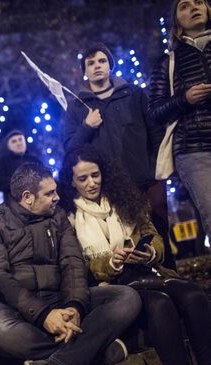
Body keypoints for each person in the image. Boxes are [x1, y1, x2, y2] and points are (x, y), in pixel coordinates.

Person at [0, 163, 141, 365]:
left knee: (126, 297)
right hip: (14, 309)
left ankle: (58, 361)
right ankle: (97, 350)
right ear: (28, 197)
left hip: (60, 300)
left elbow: (73, 264)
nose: (57, 197)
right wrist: (44, 316)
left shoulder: (58, 216)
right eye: (49, 193)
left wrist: (74, 306)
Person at [58, 146, 211, 365]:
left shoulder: (123, 198)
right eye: (83, 179)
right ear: (72, 182)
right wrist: (112, 262)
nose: (91, 183)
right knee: (160, 304)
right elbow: (77, 267)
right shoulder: (68, 217)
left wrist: (149, 252)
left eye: (95, 175)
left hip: (147, 271)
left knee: (194, 295)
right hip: (110, 286)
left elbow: (153, 236)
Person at [63, 42, 173, 268]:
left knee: (159, 235)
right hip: (111, 189)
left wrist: (153, 169)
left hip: (145, 180)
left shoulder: (134, 94)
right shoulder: (76, 107)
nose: (97, 66)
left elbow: (156, 132)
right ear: (84, 71)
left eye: (102, 61)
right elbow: (69, 149)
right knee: (125, 245)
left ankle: (171, 279)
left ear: (110, 65)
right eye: (90, 63)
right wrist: (86, 126)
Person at [148, 0, 211, 238]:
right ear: (176, 20)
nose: (193, 8)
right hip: (195, 152)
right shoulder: (167, 63)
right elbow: (154, 112)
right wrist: (185, 99)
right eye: (184, 6)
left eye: (199, 2)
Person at [0, 129, 41, 203]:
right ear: (8, 146)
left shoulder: (34, 159)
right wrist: (21, 182)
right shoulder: (4, 161)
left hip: (36, 203)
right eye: (14, 141)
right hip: (14, 206)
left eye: (20, 139)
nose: (18, 143)